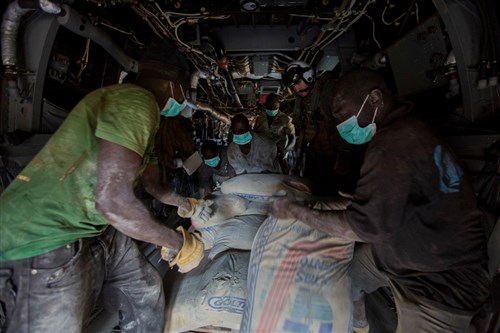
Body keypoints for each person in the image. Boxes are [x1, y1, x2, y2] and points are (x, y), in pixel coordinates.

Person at [0, 39, 212, 333]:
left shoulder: (146, 120)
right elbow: (113, 202)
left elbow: (153, 186)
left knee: (145, 289)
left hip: (93, 225)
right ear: (174, 85)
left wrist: (186, 205)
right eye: (184, 92)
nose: (184, 102)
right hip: (44, 232)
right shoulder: (135, 103)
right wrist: (176, 242)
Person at [271, 68, 491, 332]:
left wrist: (296, 211)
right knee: (354, 276)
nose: (341, 123)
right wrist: (375, 198)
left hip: (439, 284)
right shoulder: (410, 129)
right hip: (411, 255)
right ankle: (359, 325)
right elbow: (414, 188)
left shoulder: (391, 144)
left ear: (375, 99)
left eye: (343, 113)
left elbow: (362, 227)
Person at [283, 60, 365, 196]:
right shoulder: (303, 101)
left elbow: (349, 122)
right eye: (293, 87)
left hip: (337, 159)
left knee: (336, 198)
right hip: (316, 158)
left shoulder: (329, 91)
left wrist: (345, 156)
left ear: (308, 76)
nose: (296, 89)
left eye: (297, 83)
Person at [253, 93, 296, 174]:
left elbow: (292, 138)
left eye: (274, 107)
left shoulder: (286, 119)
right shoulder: (260, 119)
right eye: (270, 107)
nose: (272, 109)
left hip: (279, 153)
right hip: (263, 153)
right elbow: (255, 135)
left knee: (283, 175)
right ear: (265, 105)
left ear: (279, 105)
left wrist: (285, 151)